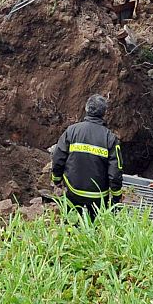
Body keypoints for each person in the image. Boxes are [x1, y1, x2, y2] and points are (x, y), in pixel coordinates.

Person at [50, 93, 123, 221]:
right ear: (104, 113)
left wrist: (56, 179)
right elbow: (115, 171)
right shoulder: (110, 138)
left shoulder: (71, 131)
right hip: (98, 196)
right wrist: (116, 197)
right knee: (94, 229)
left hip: (73, 191)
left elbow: (58, 158)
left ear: (86, 109)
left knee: (71, 226)